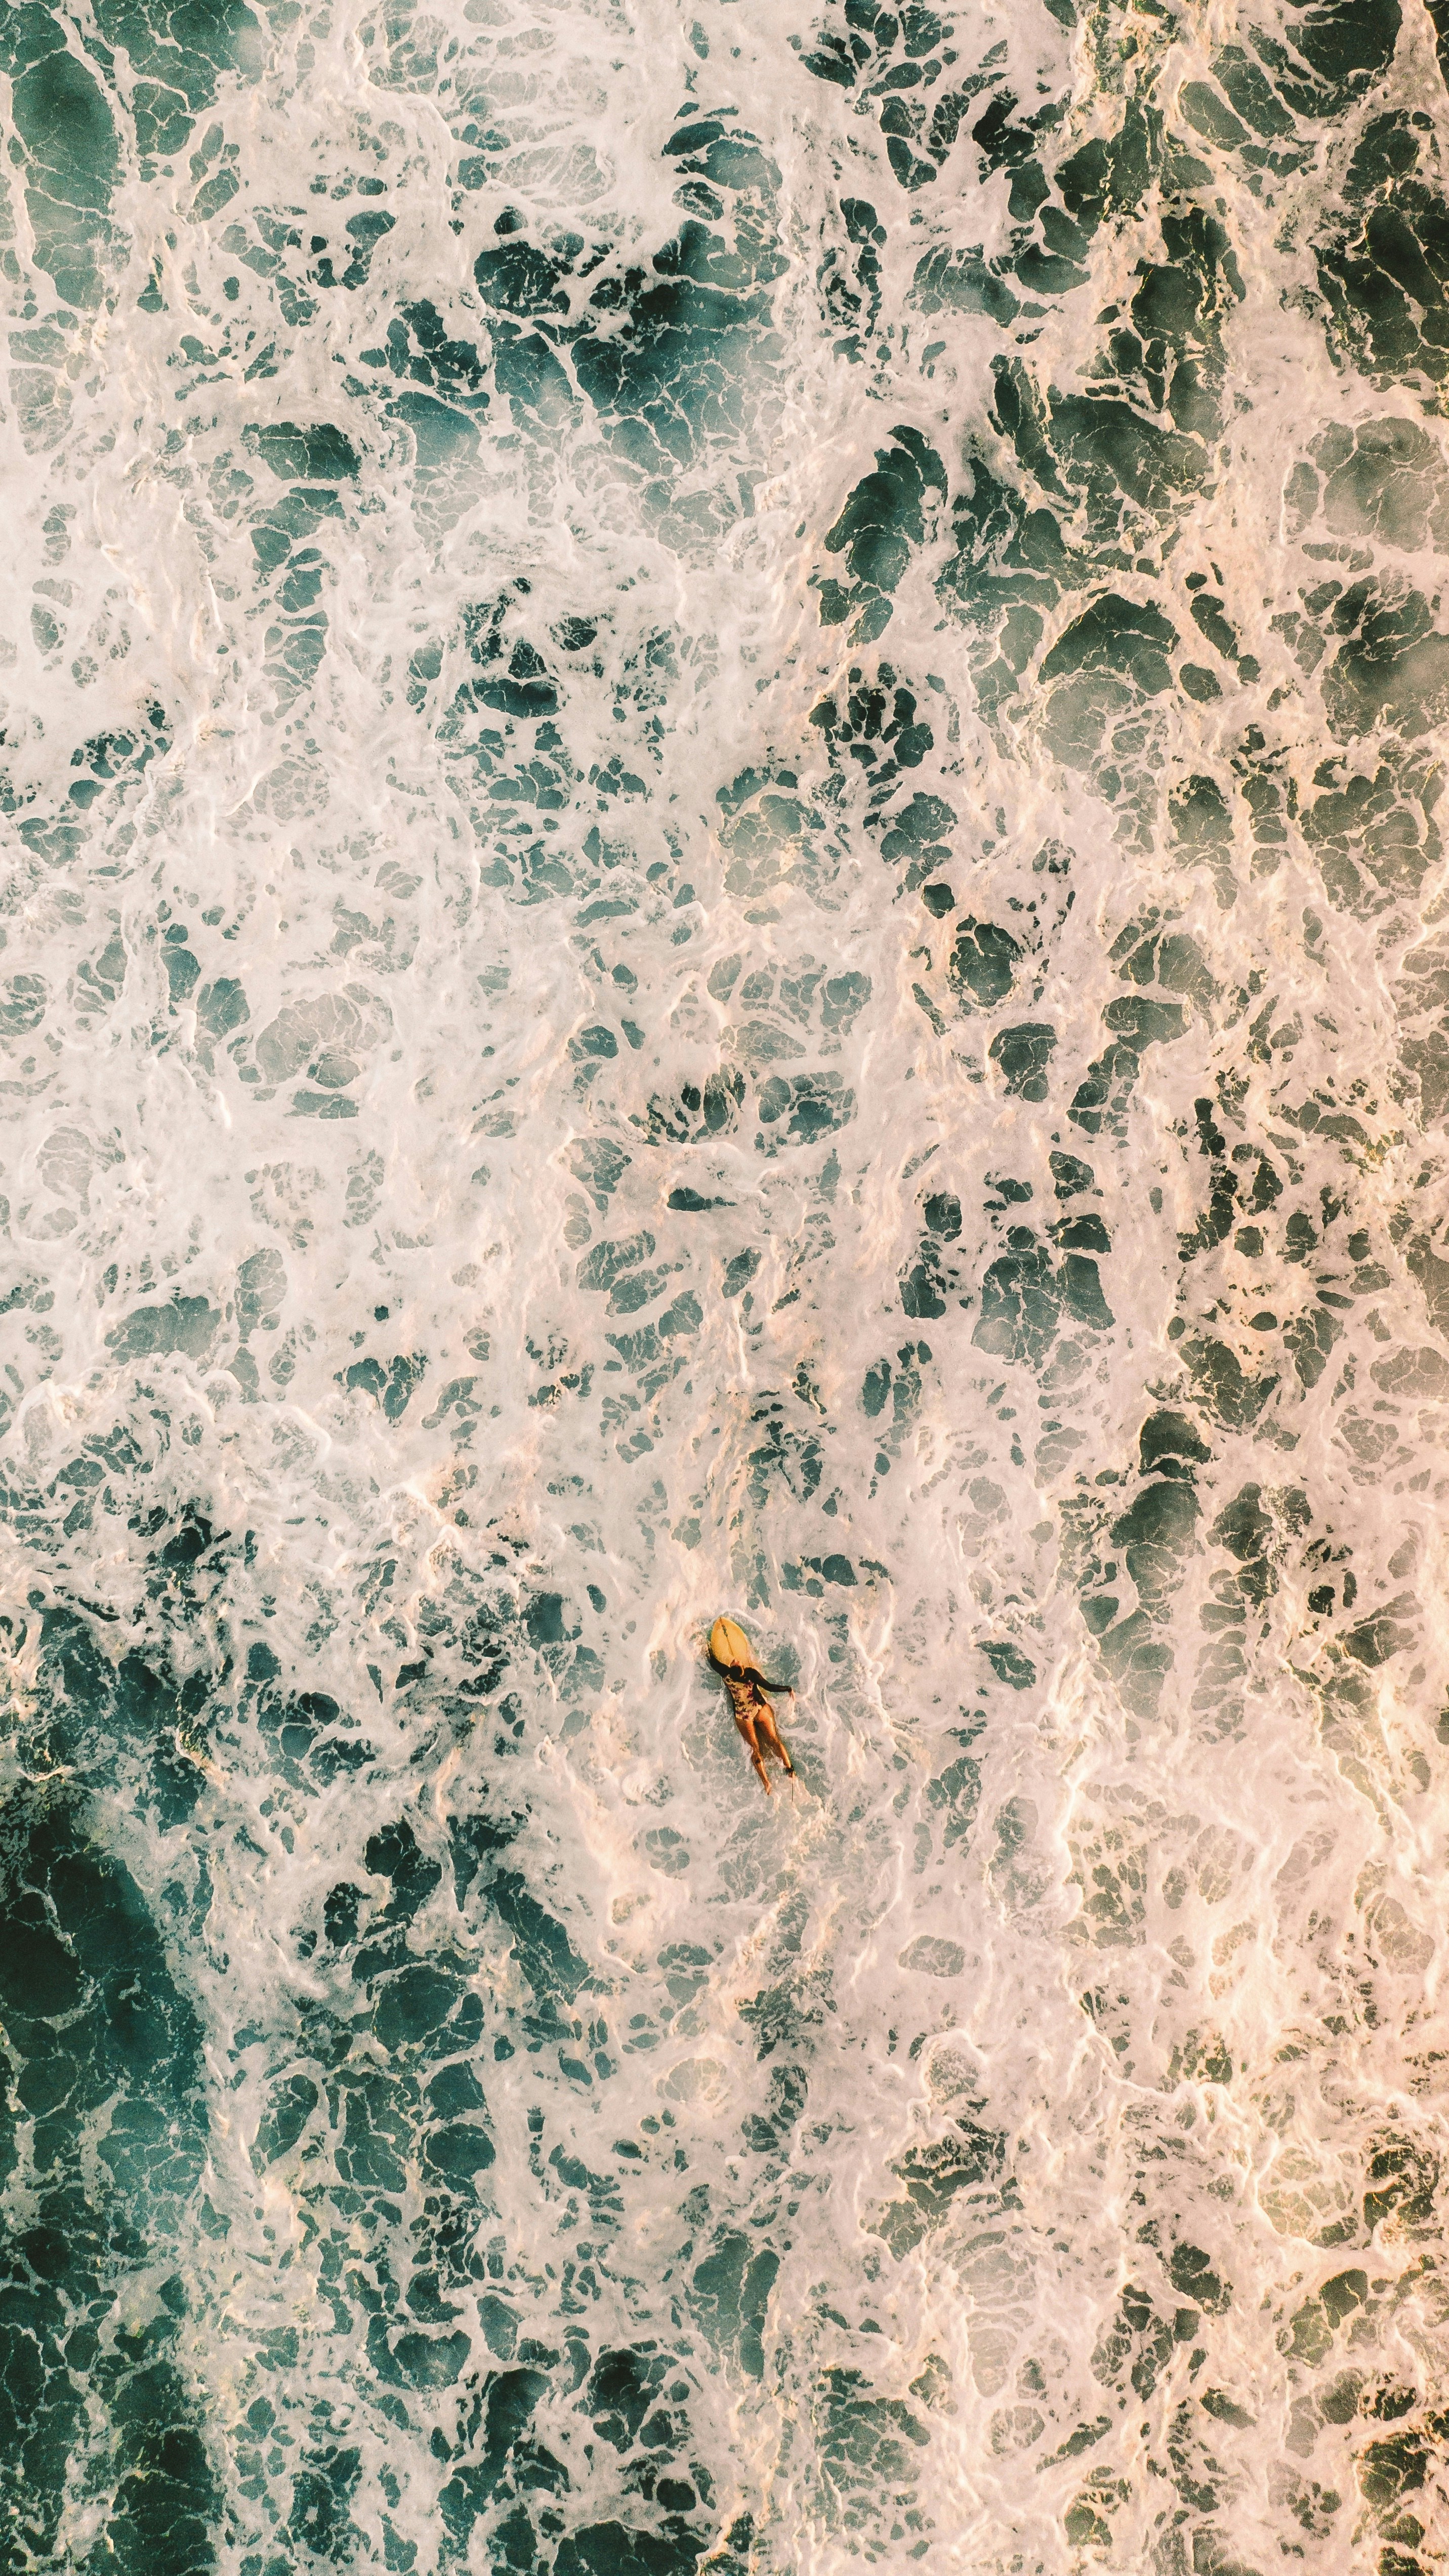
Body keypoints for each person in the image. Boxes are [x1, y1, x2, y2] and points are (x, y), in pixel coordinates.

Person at [708, 1631, 795, 1793]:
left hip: (743, 1715)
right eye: (737, 1663)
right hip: (760, 1709)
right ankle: (790, 1770)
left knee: (755, 1748)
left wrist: (706, 1647)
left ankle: (767, 1783)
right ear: (742, 1668)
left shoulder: (725, 1673)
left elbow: (713, 1661)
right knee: (774, 1740)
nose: (737, 1660)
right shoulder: (750, 1674)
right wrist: (788, 1689)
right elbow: (769, 1687)